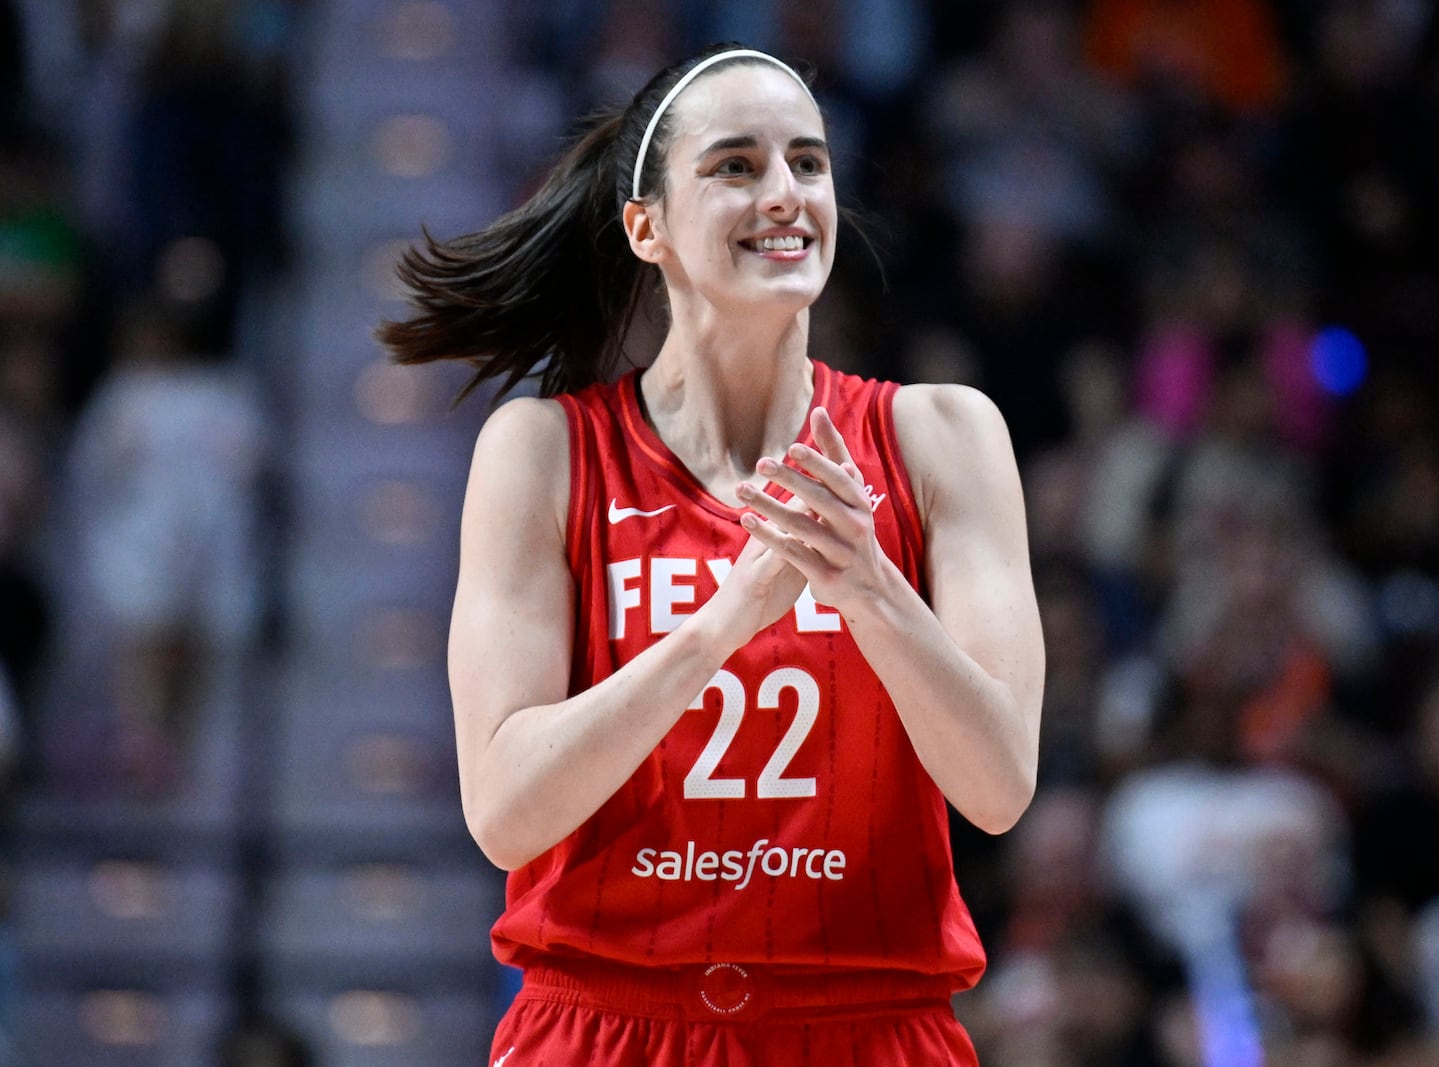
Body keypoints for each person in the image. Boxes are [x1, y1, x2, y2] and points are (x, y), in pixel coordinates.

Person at [377, 43, 1044, 1066]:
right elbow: (507, 811)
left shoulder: (943, 435)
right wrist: (721, 623)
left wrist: (867, 584)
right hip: (603, 1023)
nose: (786, 193)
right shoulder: (546, 450)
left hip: (867, 1029)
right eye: (735, 165)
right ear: (646, 226)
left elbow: (998, 785)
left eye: (808, 163)